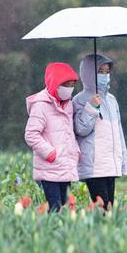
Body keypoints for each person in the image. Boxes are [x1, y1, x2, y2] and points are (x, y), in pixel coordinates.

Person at [73, 54, 127, 209]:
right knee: (102, 208)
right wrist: (91, 107)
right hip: (94, 166)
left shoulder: (112, 100)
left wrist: (122, 161)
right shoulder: (80, 100)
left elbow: (118, 134)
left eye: (107, 72)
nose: (104, 76)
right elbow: (81, 129)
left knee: (109, 208)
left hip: (110, 164)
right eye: (100, 72)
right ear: (89, 74)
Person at [25, 62, 80, 212]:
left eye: (72, 85)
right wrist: (50, 153)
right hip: (49, 167)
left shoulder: (68, 105)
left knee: (64, 207)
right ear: (55, 83)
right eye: (66, 84)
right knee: (55, 208)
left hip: (65, 166)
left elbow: (69, 132)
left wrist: (76, 151)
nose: (69, 89)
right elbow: (31, 134)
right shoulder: (41, 105)